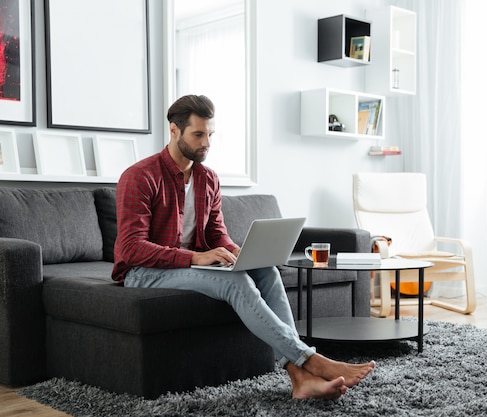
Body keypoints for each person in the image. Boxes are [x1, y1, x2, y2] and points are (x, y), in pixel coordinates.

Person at [112, 94, 375, 400]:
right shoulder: (139, 177)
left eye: (210, 135)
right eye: (198, 135)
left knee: (266, 271)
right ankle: (311, 360)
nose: (206, 143)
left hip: (188, 265)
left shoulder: (207, 178)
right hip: (144, 272)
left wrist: (236, 251)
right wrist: (196, 256)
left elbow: (216, 233)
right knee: (235, 281)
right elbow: (132, 249)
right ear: (174, 130)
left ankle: (300, 379)